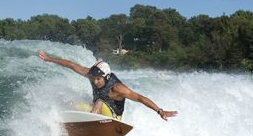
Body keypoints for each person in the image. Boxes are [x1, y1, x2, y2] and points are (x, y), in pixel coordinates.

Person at [39, 50, 178, 121]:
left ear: (106, 76)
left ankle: (88, 125)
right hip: (96, 114)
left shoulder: (117, 88)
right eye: (93, 78)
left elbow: (140, 98)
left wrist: (160, 111)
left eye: (98, 79)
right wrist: (49, 59)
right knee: (70, 104)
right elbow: (71, 65)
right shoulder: (91, 75)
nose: (95, 82)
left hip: (113, 119)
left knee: (99, 101)